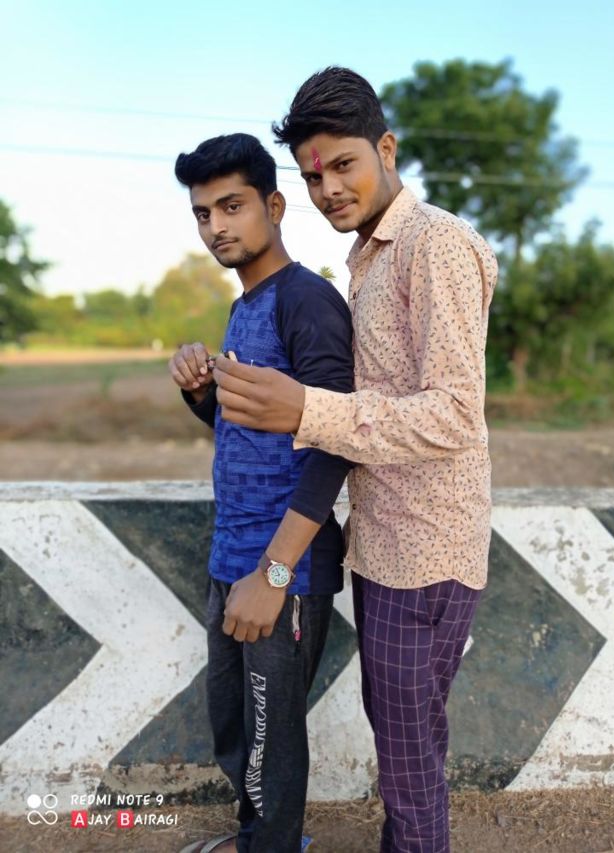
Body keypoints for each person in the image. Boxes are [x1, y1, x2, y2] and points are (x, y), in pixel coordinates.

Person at [212, 69, 499, 853]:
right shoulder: (370, 258)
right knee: (404, 752)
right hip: (387, 545)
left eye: (344, 164)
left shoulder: (434, 243)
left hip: (428, 548)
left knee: (409, 767)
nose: (328, 189)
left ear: (386, 148)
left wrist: (309, 409)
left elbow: (454, 414)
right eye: (313, 176)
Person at [169, 133, 353, 853]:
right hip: (231, 556)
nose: (216, 225)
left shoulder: (307, 301)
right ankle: (256, 840)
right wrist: (201, 395)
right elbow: (249, 432)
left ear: (274, 207)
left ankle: (274, 845)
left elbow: (335, 442)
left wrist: (274, 575)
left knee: (272, 743)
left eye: (232, 206)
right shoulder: (245, 304)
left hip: (283, 569)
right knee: (235, 729)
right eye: (203, 213)